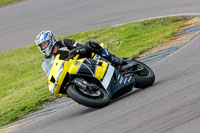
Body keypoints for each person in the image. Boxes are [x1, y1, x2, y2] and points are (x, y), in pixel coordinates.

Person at [35, 30, 124, 77]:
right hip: (72, 71)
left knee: (90, 44)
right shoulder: (46, 60)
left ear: (51, 39)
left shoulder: (64, 42)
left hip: (84, 59)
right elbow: (50, 74)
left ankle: (114, 59)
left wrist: (74, 51)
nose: (43, 47)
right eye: (41, 46)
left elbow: (81, 47)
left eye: (44, 44)